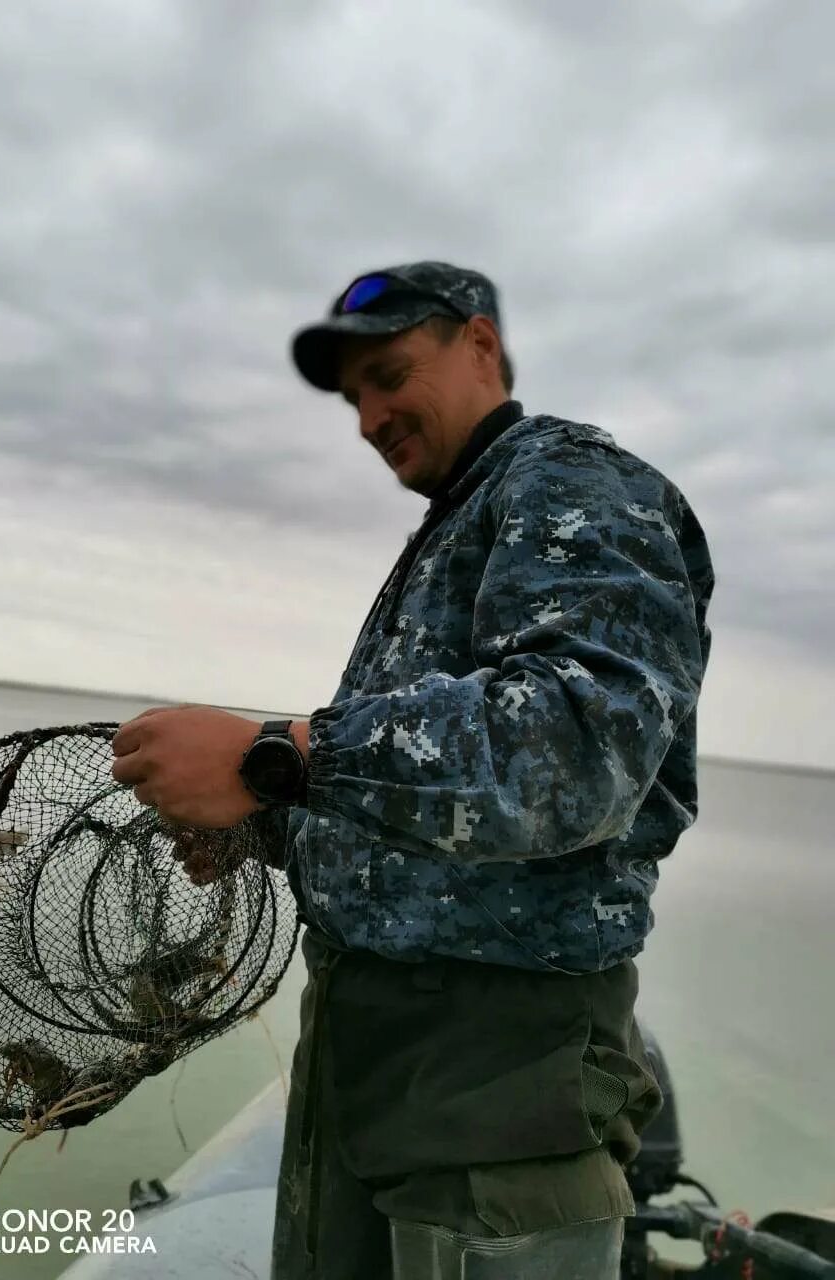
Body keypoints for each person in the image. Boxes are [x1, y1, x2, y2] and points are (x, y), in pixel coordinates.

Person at [111, 260, 715, 1279]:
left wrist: (277, 756)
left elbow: (577, 749)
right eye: (355, 399)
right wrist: (265, 821)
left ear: (480, 345)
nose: (369, 418)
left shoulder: (572, 483)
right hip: (364, 1065)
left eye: (390, 374)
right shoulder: (456, 522)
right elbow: (429, 818)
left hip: (499, 1084)